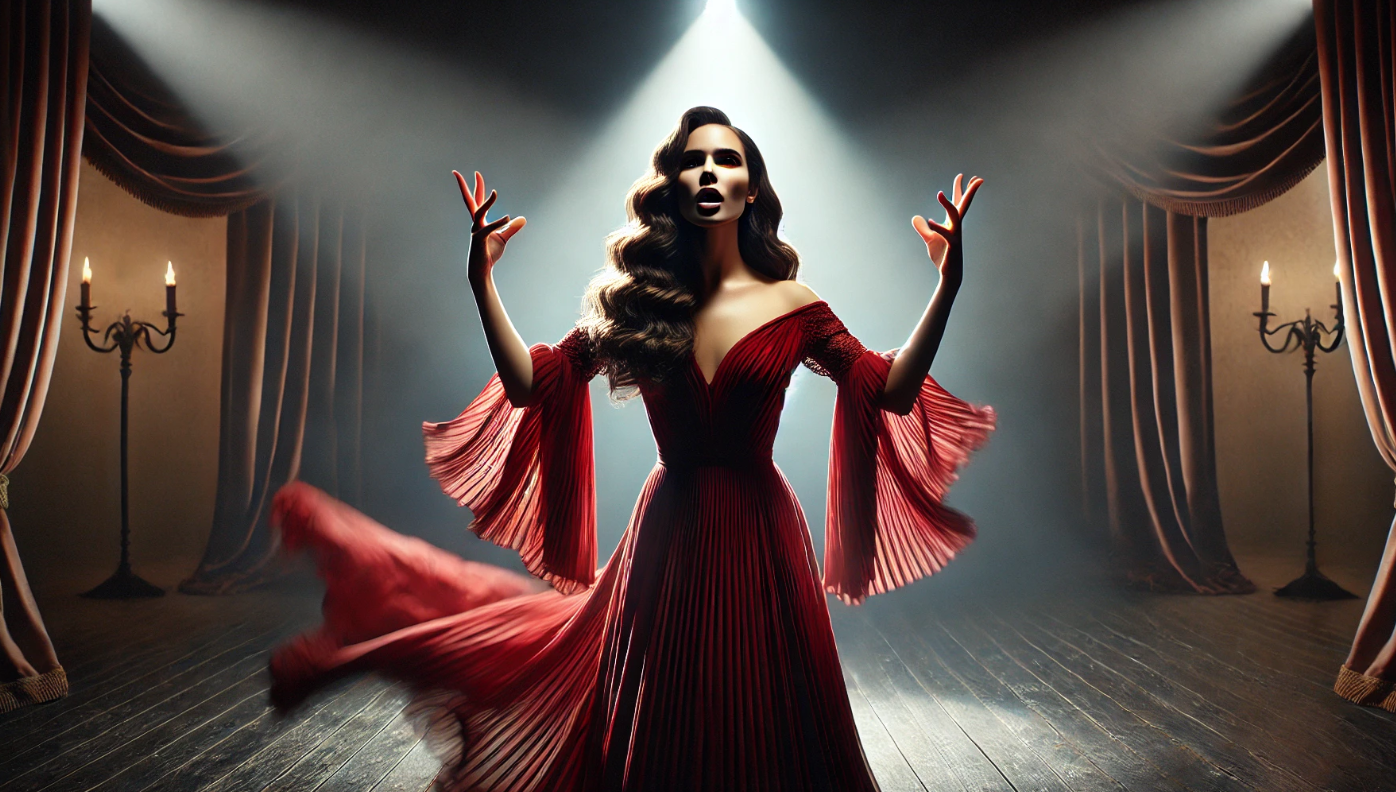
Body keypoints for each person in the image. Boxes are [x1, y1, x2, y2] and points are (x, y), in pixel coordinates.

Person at [267, 106, 994, 791]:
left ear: (751, 186)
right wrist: (480, 283)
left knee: (761, 699)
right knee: (668, 701)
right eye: (693, 163)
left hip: (761, 529)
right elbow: (532, 385)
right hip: (668, 528)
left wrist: (948, 286)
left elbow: (889, 391)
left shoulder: (794, 305)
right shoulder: (640, 299)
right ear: (673, 186)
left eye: (726, 162)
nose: (710, 173)